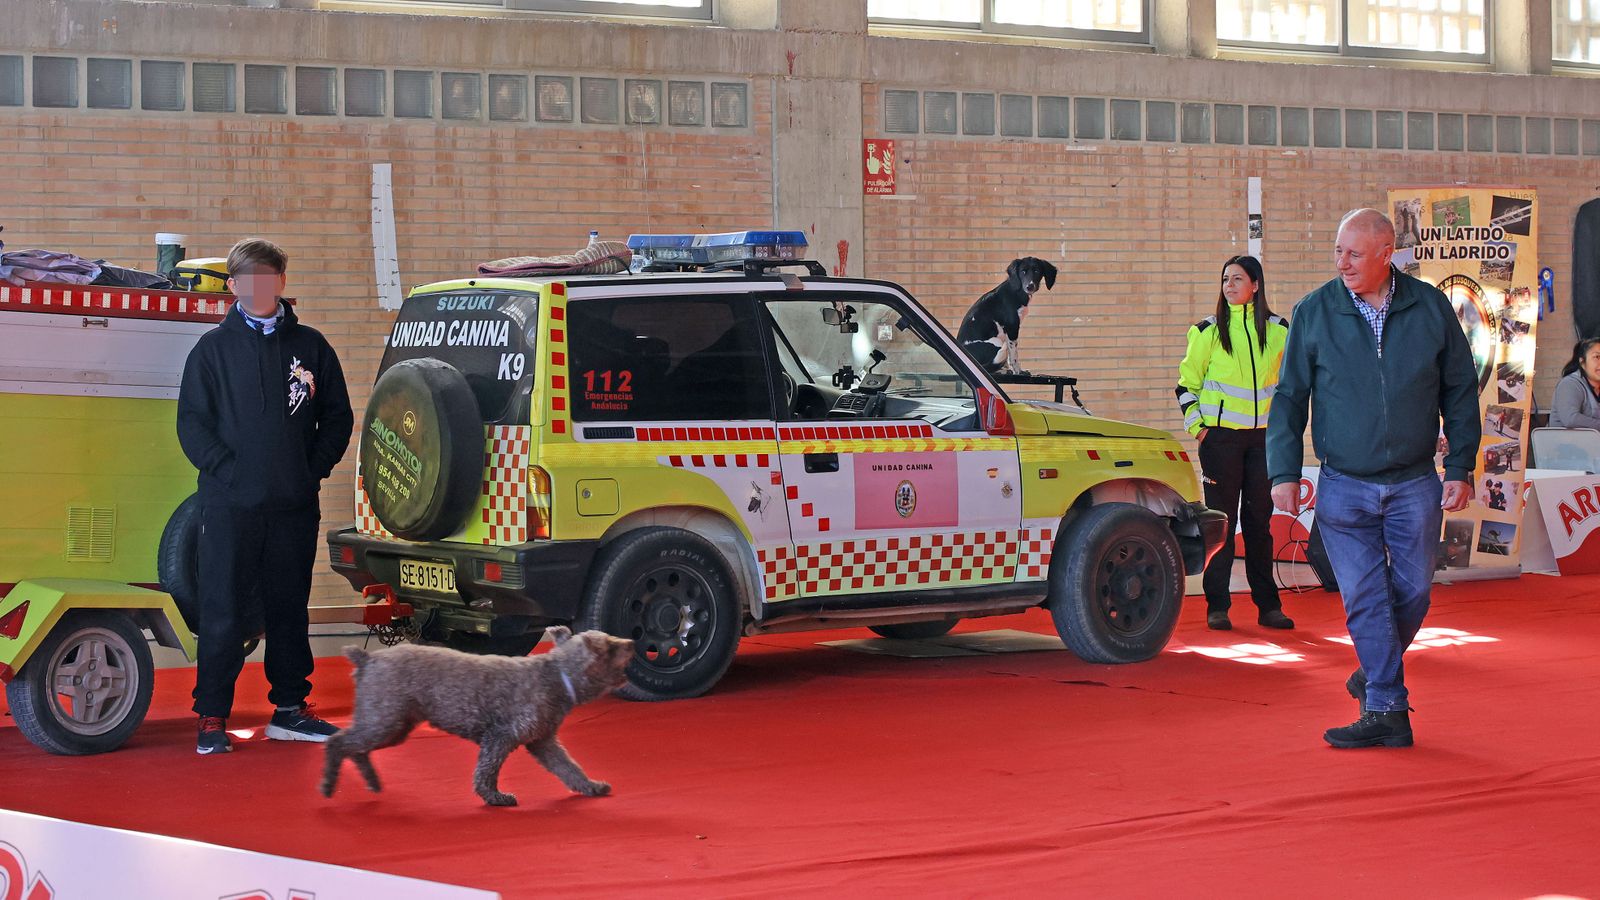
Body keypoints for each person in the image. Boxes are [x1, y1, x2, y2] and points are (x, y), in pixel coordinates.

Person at [1267, 208, 1479, 749]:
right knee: (1364, 595)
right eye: (1338, 252)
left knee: (1413, 593)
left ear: (1387, 254)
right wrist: (1284, 472)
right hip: (1343, 483)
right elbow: (1289, 398)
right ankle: (1388, 708)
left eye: (1354, 254)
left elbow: (1458, 389)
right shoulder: (1314, 311)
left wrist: (1460, 467)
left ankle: (1374, 675)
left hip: (1415, 483)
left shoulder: (1430, 307)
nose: (1342, 263)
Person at [177, 238, 354, 755]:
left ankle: (290, 711)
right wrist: (232, 475)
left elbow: (337, 418)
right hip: (229, 506)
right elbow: (192, 426)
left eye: (268, 277)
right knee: (223, 609)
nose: (258, 287)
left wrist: (310, 472)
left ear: (281, 281)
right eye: (247, 279)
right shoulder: (211, 351)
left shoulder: (312, 347)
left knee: (288, 608)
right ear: (233, 286)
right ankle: (212, 717)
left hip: (293, 505)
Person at [1175, 255, 1294, 631]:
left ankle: (1268, 606)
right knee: (1222, 525)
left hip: (1264, 443)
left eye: (1237, 279)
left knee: (1260, 524)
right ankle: (1217, 605)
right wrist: (1200, 429)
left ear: (1256, 285)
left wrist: (1283, 433)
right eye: (1225, 279)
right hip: (1220, 442)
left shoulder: (1279, 331)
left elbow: (1290, 387)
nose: (1229, 285)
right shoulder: (1206, 331)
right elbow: (1185, 386)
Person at [1550, 338, 1600, 430]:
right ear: (1582, 362)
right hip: (1566, 442)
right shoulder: (1570, 384)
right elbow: (1570, 419)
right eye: (1597, 357)